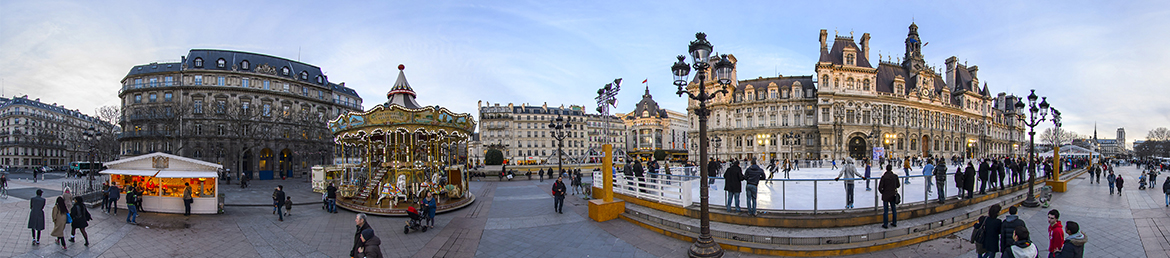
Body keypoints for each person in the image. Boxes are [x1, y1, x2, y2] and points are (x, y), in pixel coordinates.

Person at [879, 164, 901, 228]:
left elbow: (880, 187)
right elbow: (898, 185)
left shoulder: (884, 177)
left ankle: (885, 224)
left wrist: (883, 192)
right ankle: (894, 222)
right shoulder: (895, 176)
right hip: (893, 194)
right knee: (893, 209)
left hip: (885, 195)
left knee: (886, 210)